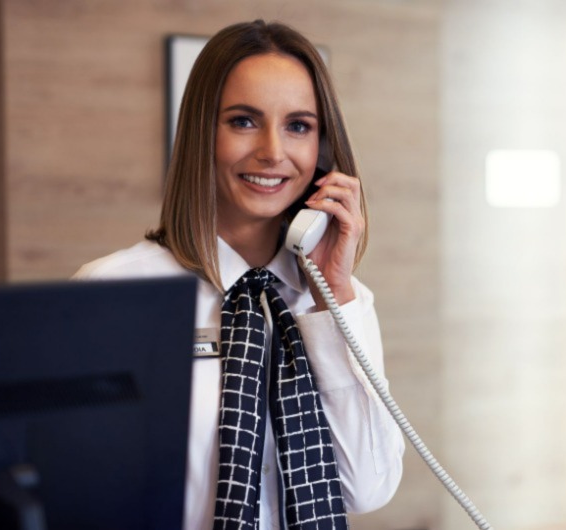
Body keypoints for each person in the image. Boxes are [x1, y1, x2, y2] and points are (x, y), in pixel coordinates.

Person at [74, 19, 404, 530]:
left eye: (299, 126)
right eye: (244, 121)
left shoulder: (340, 301)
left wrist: (332, 294)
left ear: (324, 152)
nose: (273, 151)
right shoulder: (112, 294)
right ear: (203, 133)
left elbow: (368, 487)